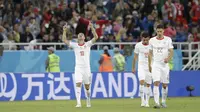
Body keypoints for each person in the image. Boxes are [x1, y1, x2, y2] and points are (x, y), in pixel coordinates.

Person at [62, 23, 98, 108]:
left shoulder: (88, 44)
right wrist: (64, 31)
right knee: (78, 83)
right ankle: (78, 103)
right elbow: (64, 40)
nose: (81, 36)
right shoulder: (75, 45)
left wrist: (92, 28)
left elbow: (96, 37)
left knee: (87, 87)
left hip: (87, 68)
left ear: (84, 38)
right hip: (78, 68)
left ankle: (88, 99)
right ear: (78, 38)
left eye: (82, 35)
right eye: (79, 35)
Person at [148, 24, 174, 109]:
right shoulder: (152, 40)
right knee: (156, 83)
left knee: (165, 85)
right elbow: (150, 53)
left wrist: (168, 59)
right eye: (158, 31)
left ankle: (163, 101)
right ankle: (156, 103)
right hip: (156, 65)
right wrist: (149, 64)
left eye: (161, 31)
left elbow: (171, 51)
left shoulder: (168, 39)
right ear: (156, 31)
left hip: (165, 65)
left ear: (163, 31)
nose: (159, 33)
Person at [132, 31, 152, 107]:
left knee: (148, 84)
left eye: (147, 40)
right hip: (141, 66)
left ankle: (147, 102)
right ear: (141, 38)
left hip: (150, 66)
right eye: (144, 40)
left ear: (149, 38)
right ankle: (142, 101)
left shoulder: (152, 45)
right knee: (141, 81)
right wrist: (133, 67)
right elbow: (135, 57)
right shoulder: (138, 45)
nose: (145, 41)